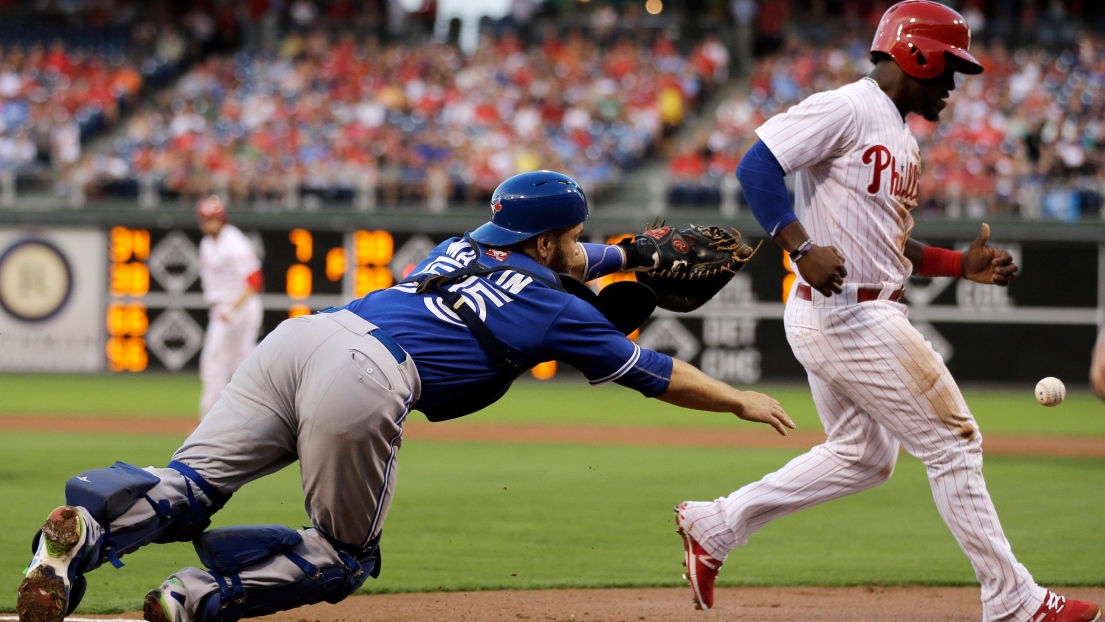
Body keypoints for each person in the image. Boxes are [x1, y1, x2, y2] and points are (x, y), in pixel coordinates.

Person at [16, 170, 795, 622]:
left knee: (187, 487)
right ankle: (189, 598)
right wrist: (738, 400)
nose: (581, 244)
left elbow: (568, 256)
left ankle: (81, 534)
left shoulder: (464, 244)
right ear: (547, 241)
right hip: (365, 378)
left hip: (303, 337)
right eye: (575, 235)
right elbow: (655, 375)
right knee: (343, 557)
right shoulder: (555, 305)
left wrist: (625, 252)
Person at [673, 3, 1103, 622]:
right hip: (847, 313)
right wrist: (798, 244)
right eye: (949, 69)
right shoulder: (848, 106)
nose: (954, 85)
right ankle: (1013, 601)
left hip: (849, 309)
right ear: (916, 55)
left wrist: (960, 266)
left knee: (864, 456)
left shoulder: (899, 135)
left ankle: (716, 525)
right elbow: (757, 163)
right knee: (956, 443)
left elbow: (885, 242)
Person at [195, 195, 264, 419]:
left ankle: (209, 419)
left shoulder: (234, 242)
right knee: (238, 363)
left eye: (213, 219)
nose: (209, 224)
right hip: (224, 308)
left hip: (239, 308)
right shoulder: (207, 243)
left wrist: (233, 309)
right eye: (206, 220)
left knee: (215, 361)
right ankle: (242, 417)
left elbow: (254, 281)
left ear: (222, 219)